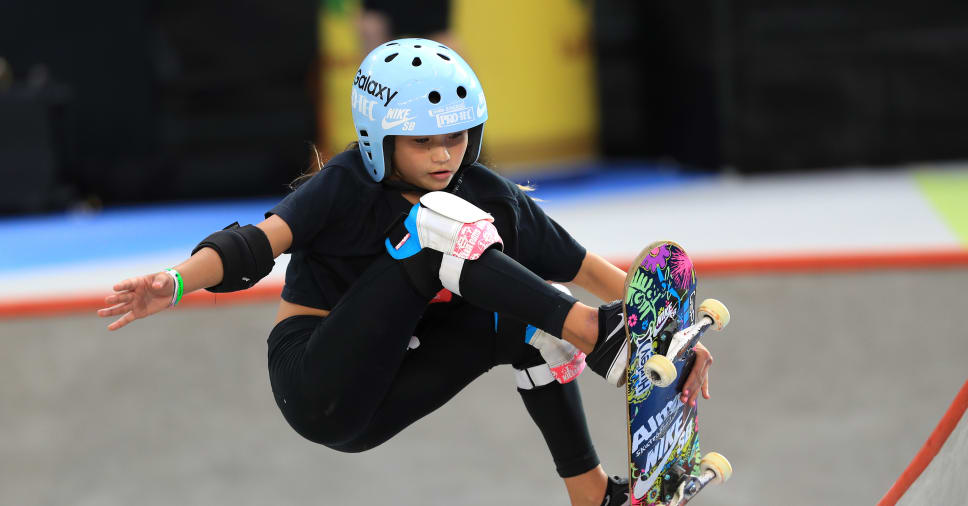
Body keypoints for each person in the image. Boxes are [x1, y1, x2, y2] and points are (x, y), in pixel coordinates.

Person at [97, 39, 715, 506]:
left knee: (533, 321)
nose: (444, 155)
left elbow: (586, 266)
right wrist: (176, 282)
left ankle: (593, 495)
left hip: (385, 394)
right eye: (421, 142)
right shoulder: (344, 184)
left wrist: (670, 334)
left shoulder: (484, 192)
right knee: (436, 226)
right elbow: (254, 245)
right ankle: (597, 337)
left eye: (456, 137)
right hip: (316, 380)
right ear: (378, 139)